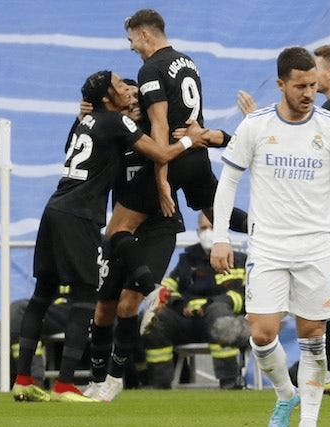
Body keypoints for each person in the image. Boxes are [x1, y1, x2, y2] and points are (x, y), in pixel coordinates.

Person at [210, 47, 330, 427]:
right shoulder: (256, 125)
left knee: (313, 336)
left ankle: (308, 421)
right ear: (281, 84)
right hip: (268, 245)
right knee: (261, 333)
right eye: (300, 86)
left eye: (313, 85)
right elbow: (228, 180)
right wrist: (220, 237)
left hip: (315, 246)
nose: (309, 93)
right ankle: (286, 394)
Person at [11, 70, 206, 403]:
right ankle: (65, 385)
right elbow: (161, 154)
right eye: (118, 86)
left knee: (42, 295)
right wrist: (191, 140)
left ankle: (23, 381)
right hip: (80, 215)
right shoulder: (117, 122)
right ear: (106, 98)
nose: (127, 91)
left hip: (54, 209)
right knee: (85, 299)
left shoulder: (85, 122)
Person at [85, 9, 248, 401]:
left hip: (173, 157)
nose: (131, 48)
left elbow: (160, 127)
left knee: (116, 231)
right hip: (195, 154)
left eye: (131, 40)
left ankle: (148, 291)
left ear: (144, 34)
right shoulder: (186, 62)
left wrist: (162, 177)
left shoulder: (150, 70)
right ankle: (272, 227)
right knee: (218, 212)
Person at [143, 213, 248, 389]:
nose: (207, 233)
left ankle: (231, 383)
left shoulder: (239, 261)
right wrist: (180, 305)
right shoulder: (187, 260)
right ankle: (159, 387)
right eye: (204, 228)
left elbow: (244, 296)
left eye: (212, 228)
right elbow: (166, 289)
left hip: (227, 323)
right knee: (156, 320)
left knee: (219, 314)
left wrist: (212, 305)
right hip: (190, 322)